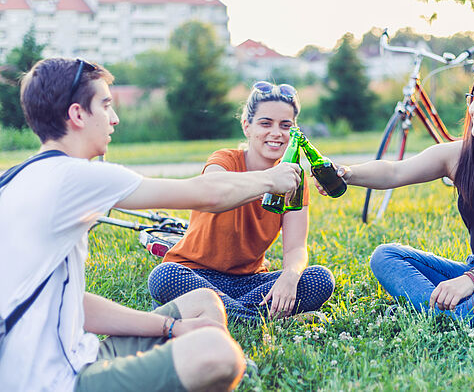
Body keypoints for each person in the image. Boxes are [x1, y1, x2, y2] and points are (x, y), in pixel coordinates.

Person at [0, 59, 302, 392]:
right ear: (77, 115)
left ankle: (228, 371)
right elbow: (207, 194)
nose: (114, 118)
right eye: (105, 106)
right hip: (54, 381)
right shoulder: (75, 176)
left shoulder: (16, 178)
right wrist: (271, 179)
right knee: (217, 354)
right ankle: (226, 367)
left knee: (204, 302)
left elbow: (74, 304)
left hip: (81, 354)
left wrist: (170, 328)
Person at [326, 49, 474, 327]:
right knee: (386, 256)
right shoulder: (459, 156)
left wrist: (470, 281)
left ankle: (444, 316)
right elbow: (394, 171)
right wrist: (346, 174)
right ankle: (457, 316)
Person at [148, 81, 335, 321]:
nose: (276, 133)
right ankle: (260, 320)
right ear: (247, 126)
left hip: (249, 281)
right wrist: (269, 181)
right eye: (265, 123)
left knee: (320, 278)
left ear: (295, 131)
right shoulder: (224, 159)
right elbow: (214, 190)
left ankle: (227, 316)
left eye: (285, 125)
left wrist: (289, 276)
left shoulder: (294, 180)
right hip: (194, 275)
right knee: (163, 275)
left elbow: (296, 247)